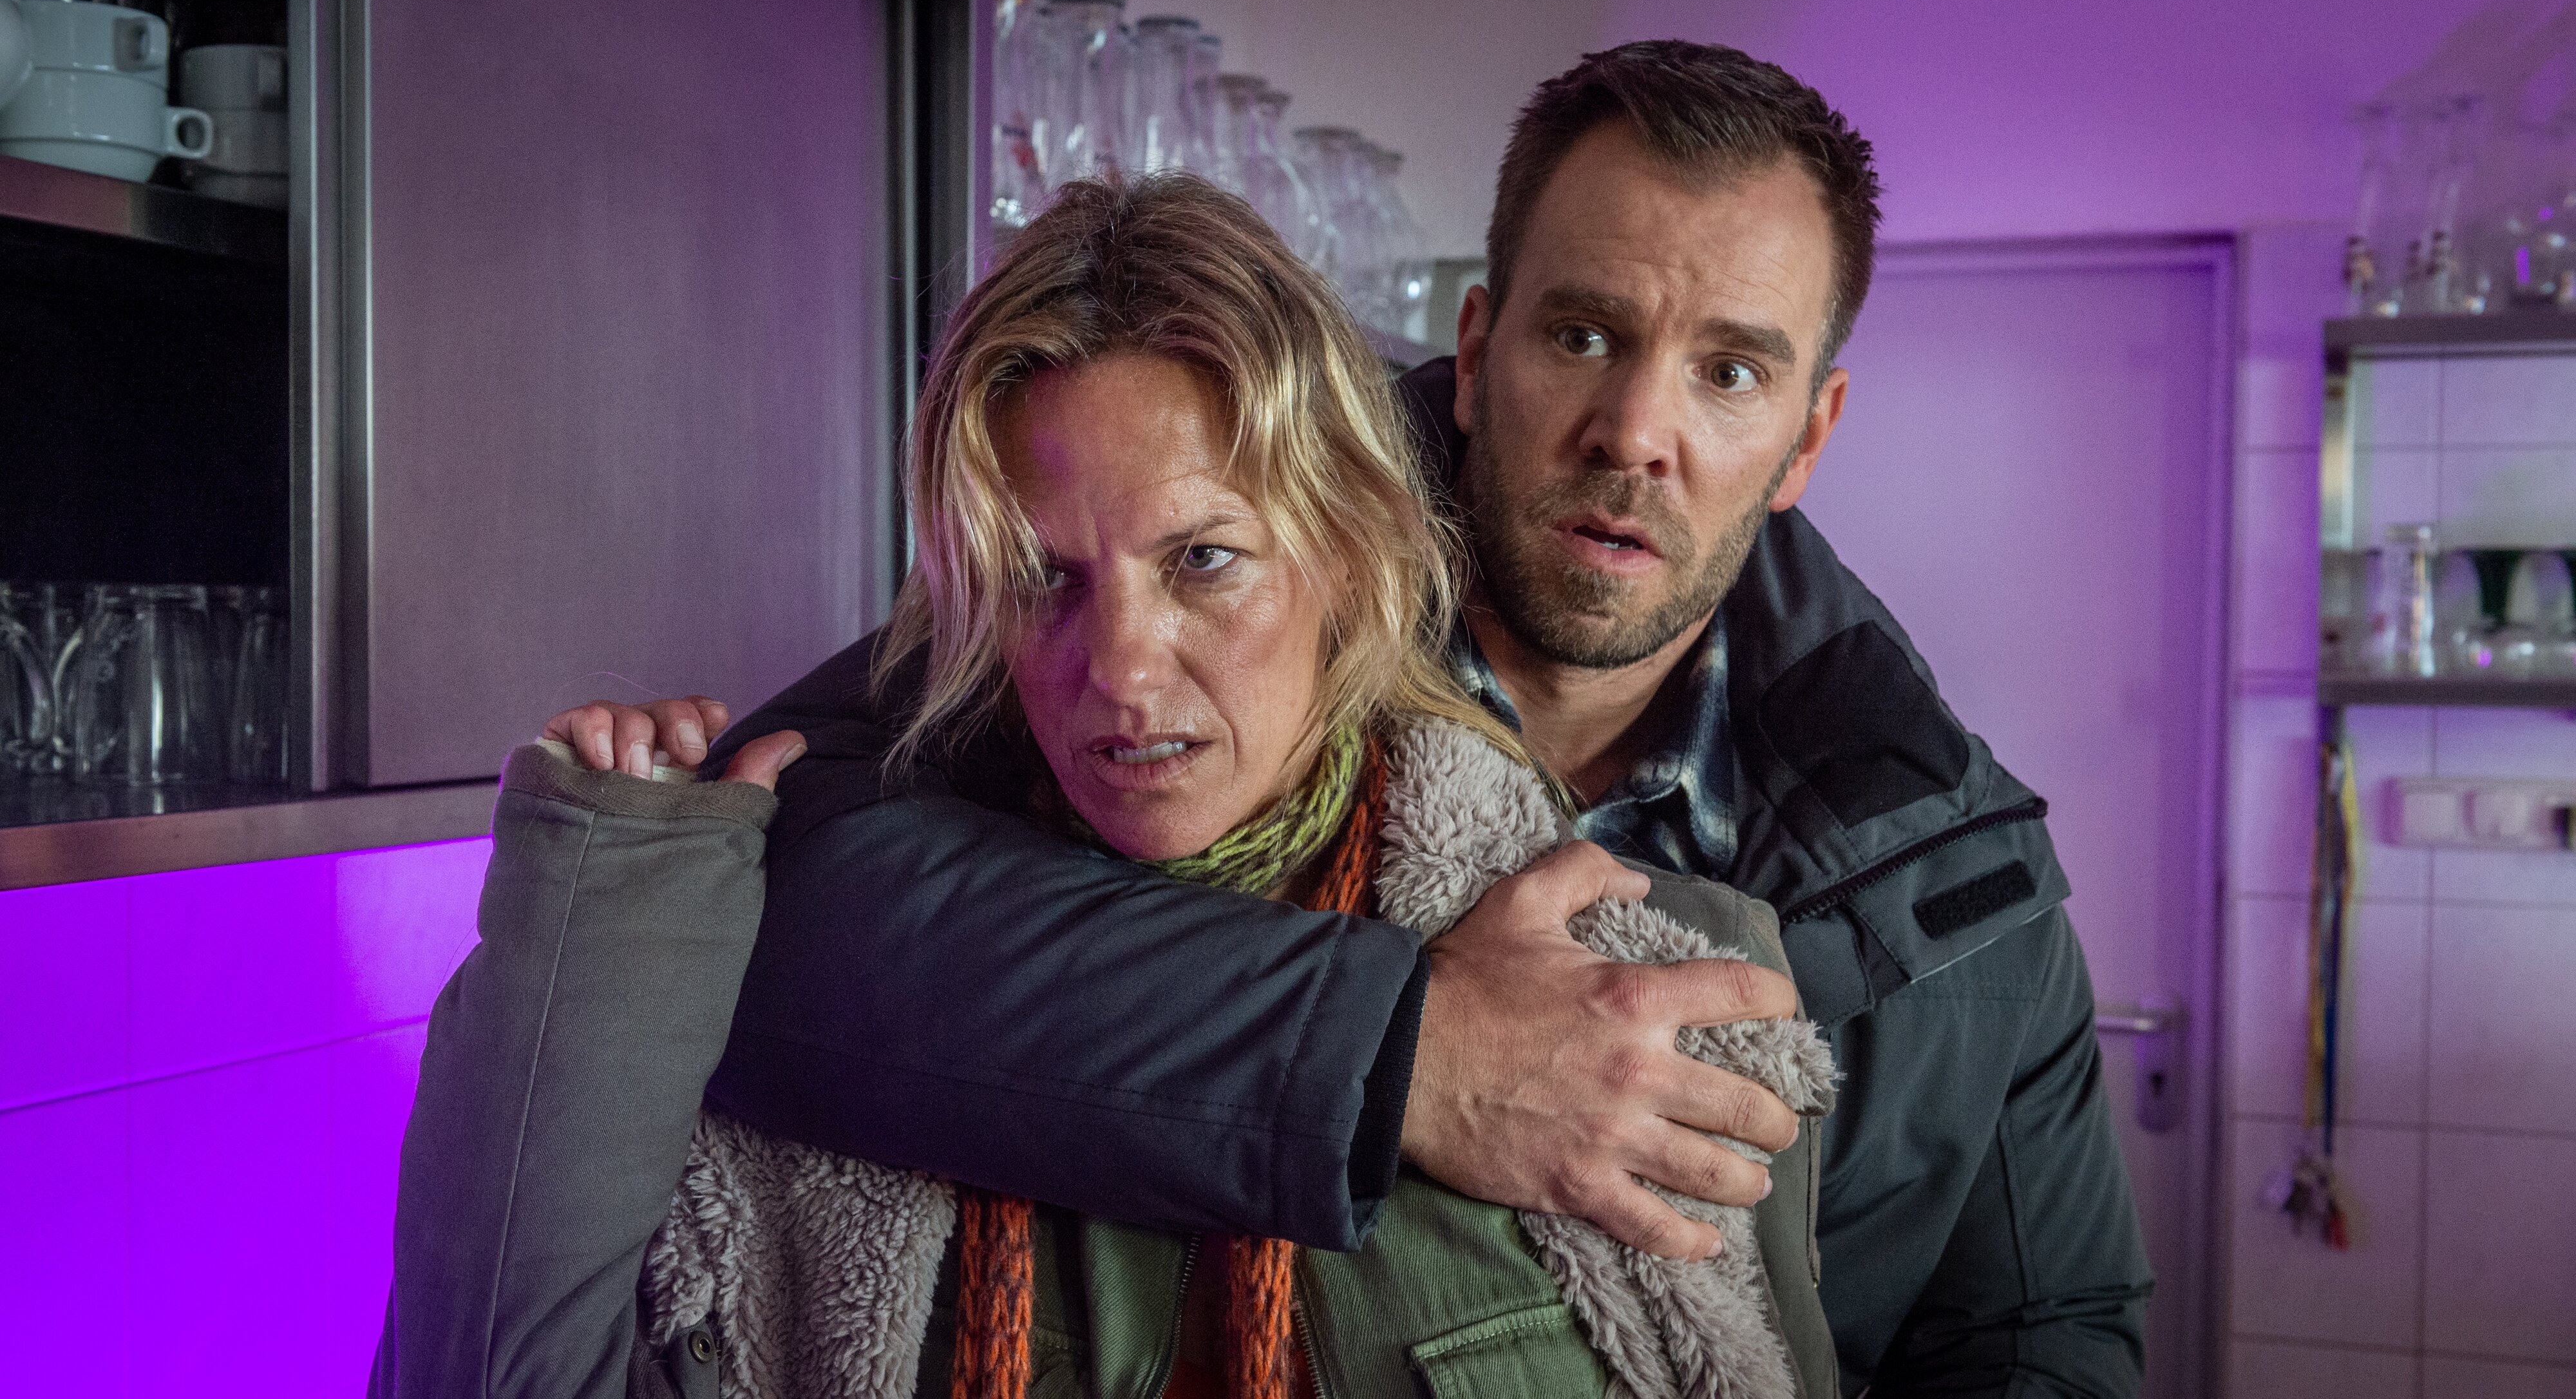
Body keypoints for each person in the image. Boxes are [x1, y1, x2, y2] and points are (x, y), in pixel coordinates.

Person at [648, 41, 2155, 1396]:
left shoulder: (1954, 874)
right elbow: (768, 886)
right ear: (1478, 343)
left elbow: (2044, 1335)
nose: (1635, 430)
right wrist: (1402, 1052)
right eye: (1582, 334)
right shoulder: (1222, 546)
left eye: (1729, 370)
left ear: (1805, 433)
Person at [375, 172, 1845, 1399]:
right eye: (1044, 579)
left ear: (1345, 552)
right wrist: (605, 892)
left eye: (1203, 559)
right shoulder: (769, 975)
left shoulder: (1652, 1003)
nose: (1122, 670)